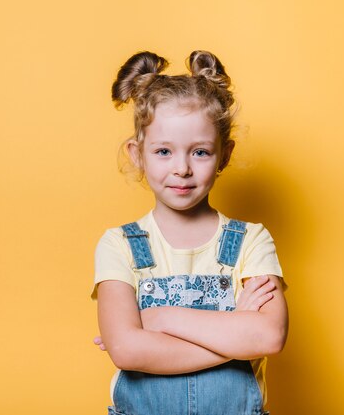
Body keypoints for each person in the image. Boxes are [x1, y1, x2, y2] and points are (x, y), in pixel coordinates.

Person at [91, 50, 288, 415]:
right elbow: (128, 350)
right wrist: (234, 334)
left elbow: (269, 336)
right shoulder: (118, 245)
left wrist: (162, 319)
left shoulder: (251, 240)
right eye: (163, 151)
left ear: (224, 155)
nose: (181, 169)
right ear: (138, 154)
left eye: (200, 152)